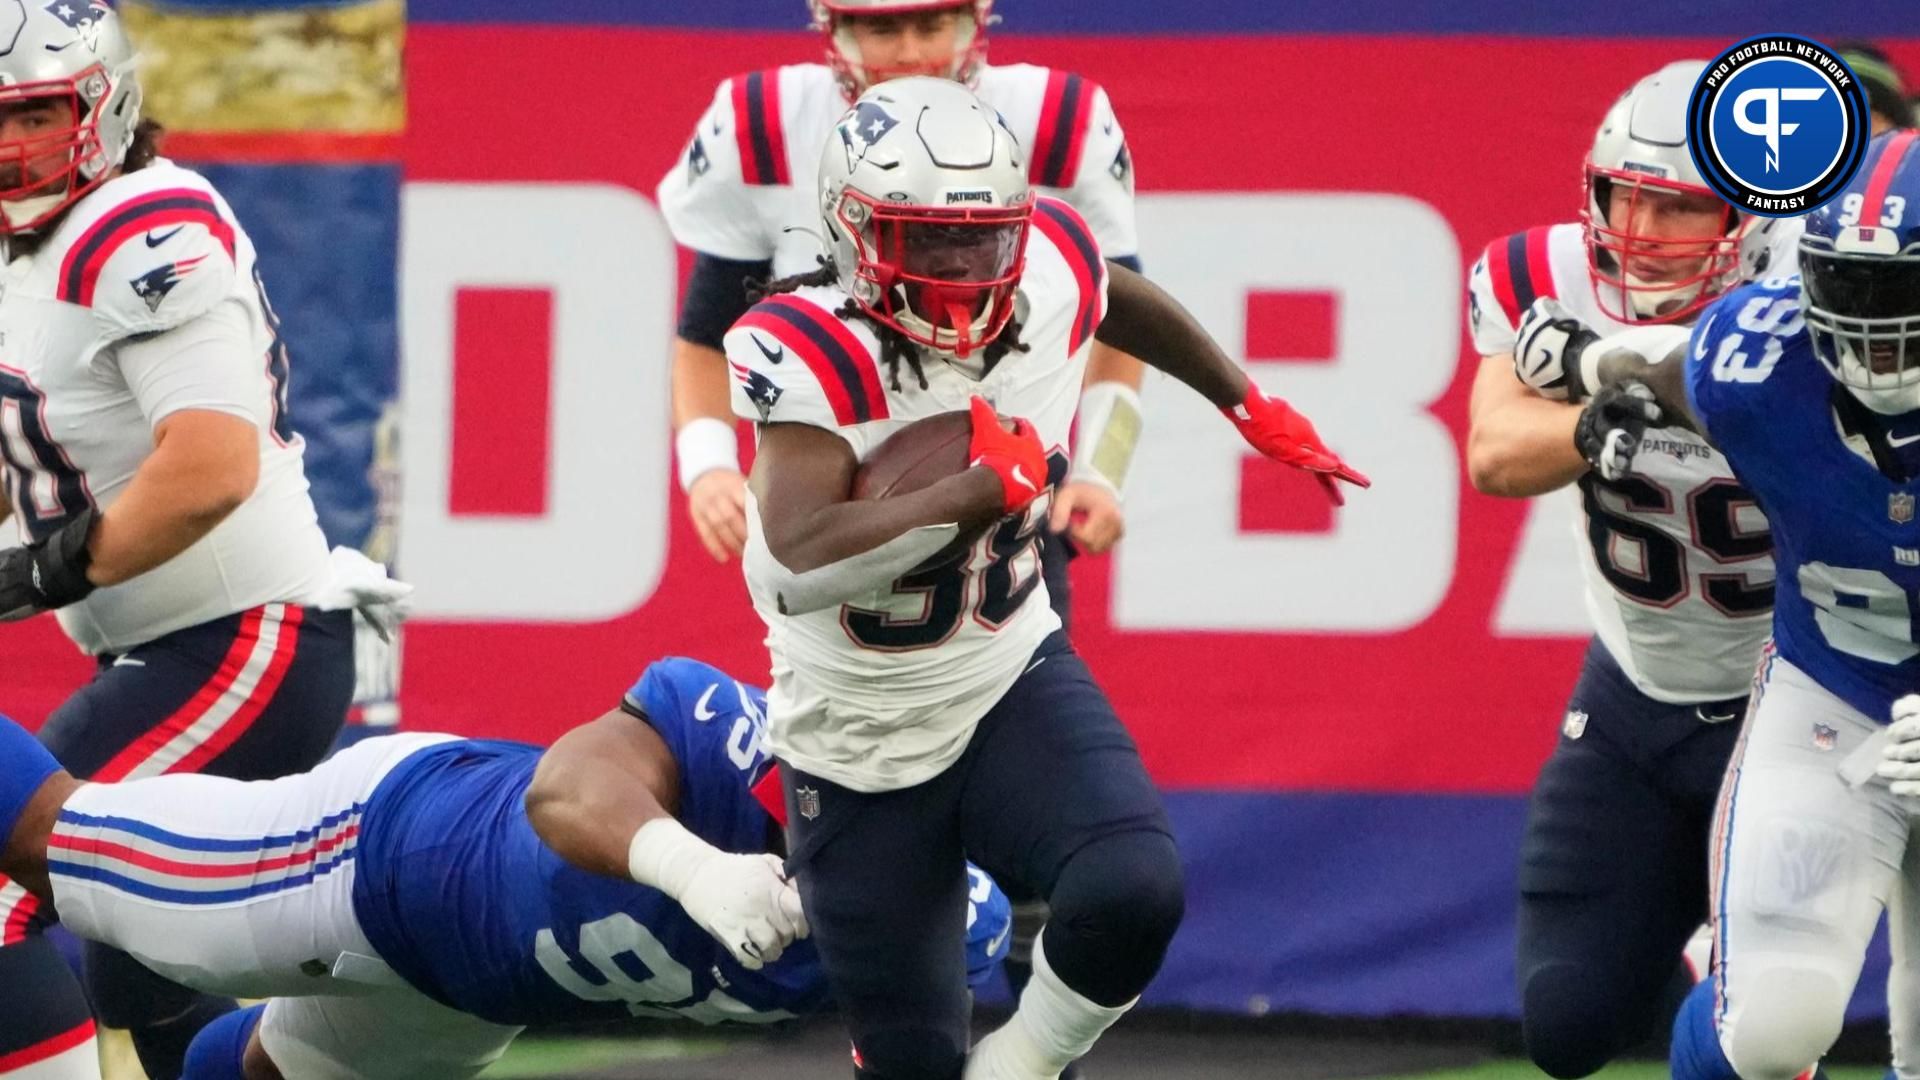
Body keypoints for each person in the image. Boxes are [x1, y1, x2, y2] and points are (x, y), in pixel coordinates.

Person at [724, 77, 1366, 1080]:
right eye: (924, 239)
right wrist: (979, 492)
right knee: (908, 1061)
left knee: (1134, 886)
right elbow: (801, 554)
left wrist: (1249, 405)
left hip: (1006, 679)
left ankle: (1020, 1068)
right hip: (856, 746)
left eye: (980, 238)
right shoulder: (807, 347)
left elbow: (1122, 297)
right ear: (850, 232)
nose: (959, 266)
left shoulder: (1053, 264)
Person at [658, 1, 1153, 1045]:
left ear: (981, 20)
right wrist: (705, 464)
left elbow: (1115, 308)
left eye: (933, 21)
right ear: (827, 31)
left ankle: (1031, 1027)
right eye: (883, 27)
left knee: (1076, 846)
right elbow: (703, 333)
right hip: (841, 517)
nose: (913, 52)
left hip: (999, 503)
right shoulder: (759, 125)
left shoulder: (1050, 122)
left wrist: (1100, 468)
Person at [0, 6, 401, 1078]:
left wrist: (40, 572)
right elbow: (42, 449)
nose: (8, 144)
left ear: (103, 101)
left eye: (34, 111)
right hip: (174, 650)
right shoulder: (22, 248)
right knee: (141, 975)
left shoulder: (138, 222)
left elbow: (209, 465)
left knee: (13, 879)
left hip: (244, 643)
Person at [0, 655, 1013, 1080]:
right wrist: (697, 869)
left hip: (469, 994)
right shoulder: (726, 735)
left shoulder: (947, 918)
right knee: (50, 843)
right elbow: (565, 791)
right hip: (375, 853)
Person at [1511, 128, 1920, 1080]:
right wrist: (1589, 364)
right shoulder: (1761, 363)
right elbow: (1673, 369)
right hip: (1836, 692)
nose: (1868, 325)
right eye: (1845, 288)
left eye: (1898, 289)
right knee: (1769, 1024)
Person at [1465, 60, 1794, 1078]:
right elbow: (1494, 452)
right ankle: (1694, 969)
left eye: (1680, 207)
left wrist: (1637, 372)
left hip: (1797, 699)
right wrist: (1592, 421)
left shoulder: (1807, 291)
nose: (1643, 228)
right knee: (1567, 1025)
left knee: (1772, 1024)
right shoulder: (1542, 275)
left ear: (1749, 221)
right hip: (1636, 692)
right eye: (1628, 195)